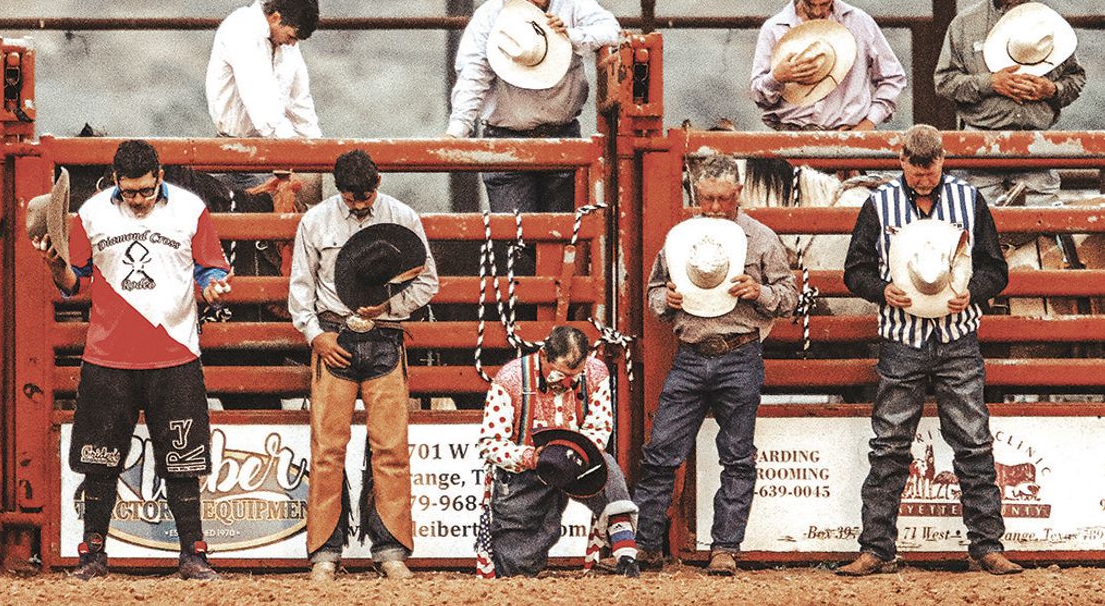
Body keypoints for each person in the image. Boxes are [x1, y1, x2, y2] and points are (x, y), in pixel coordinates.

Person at [31, 140, 231, 581]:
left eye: (145, 190)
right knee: (98, 461)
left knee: (183, 461)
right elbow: (73, 281)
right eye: (129, 192)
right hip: (108, 356)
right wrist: (54, 265)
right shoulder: (92, 213)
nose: (137, 200)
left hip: (175, 352)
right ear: (116, 181)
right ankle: (92, 556)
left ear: (159, 176)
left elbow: (210, 267)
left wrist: (213, 286)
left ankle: (194, 555)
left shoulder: (191, 209)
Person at [837, 124, 1022, 576]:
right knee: (890, 445)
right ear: (902, 161)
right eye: (916, 171)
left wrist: (973, 292)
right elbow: (855, 270)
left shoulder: (969, 200)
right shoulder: (878, 203)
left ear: (941, 160)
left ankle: (986, 545)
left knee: (972, 443)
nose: (923, 179)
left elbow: (996, 269)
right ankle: (877, 547)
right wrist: (881, 290)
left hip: (955, 335)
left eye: (930, 170)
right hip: (903, 338)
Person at [633, 154, 798, 575]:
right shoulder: (680, 238)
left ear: (737, 193)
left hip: (739, 353)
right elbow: (654, 290)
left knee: (737, 456)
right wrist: (665, 300)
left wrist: (759, 292)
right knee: (661, 452)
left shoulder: (761, 238)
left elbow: (789, 296)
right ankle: (646, 544)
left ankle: (725, 547)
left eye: (723, 199)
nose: (714, 208)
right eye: (707, 199)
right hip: (692, 353)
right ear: (696, 193)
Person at [288, 149, 439, 581]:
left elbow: (428, 282)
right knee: (329, 449)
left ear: (377, 185)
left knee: (389, 446)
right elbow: (301, 288)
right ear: (340, 190)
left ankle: (385, 549)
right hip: (336, 336)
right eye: (351, 197)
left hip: (382, 333)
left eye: (365, 196)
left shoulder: (401, 216)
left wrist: (389, 306)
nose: (358, 204)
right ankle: (328, 551)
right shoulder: (316, 221)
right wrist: (316, 335)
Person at [445, 0, 620, 214]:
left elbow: (611, 31)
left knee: (561, 233)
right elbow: (474, 72)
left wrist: (571, 36)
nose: (531, 3)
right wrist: (459, 127)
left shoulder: (571, 2)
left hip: (560, 133)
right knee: (518, 234)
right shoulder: (490, 16)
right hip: (507, 137)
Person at [476, 325, 640, 578]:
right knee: (515, 566)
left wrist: (576, 453)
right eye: (559, 374)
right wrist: (530, 457)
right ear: (543, 355)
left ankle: (626, 555)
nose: (567, 382)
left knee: (607, 470)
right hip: (527, 470)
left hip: (577, 461)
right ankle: (516, 569)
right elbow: (490, 443)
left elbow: (599, 428)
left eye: (575, 376)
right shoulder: (510, 379)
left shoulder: (596, 372)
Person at [934, 0, 1086, 205]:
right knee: (978, 219)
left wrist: (1051, 89)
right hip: (981, 143)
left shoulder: (1051, 24)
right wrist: (990, 83)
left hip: (1035, 142)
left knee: (1043, 221)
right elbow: (944, 82)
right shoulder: (965, 25)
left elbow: (1076, 78)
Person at [750, 0, 906, 131]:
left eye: (825, 4)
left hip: (848, 133)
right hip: (791, 132)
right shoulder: (774, 28)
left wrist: (868, 123)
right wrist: (777, 77)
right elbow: (758, 96)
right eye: (810, 4)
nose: (817, 12)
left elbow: (892, 77)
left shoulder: (859, 22)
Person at [206, 0, 321, 190]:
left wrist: (316, 149)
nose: (292, 44)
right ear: (275, 18)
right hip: (235, 151)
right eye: (292, 37)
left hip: (271, 150)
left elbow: (299, 102)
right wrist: (296, 148)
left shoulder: (287, 43)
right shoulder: (241, 28)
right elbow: (260, 101)